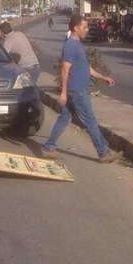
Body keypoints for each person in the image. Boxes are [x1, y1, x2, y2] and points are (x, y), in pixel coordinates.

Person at [42, 14, 122, 163]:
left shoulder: (76, 43)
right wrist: (64, 93)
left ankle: (48, 146)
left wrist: (102, 77)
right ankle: (103, 152)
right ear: (75, 28)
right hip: (76, 91)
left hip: (76, 90)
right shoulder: (71, 45)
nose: (87, 29)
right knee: (90, 121)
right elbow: (65, 69)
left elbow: (86, 67)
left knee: (64, 118)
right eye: (84, 27)